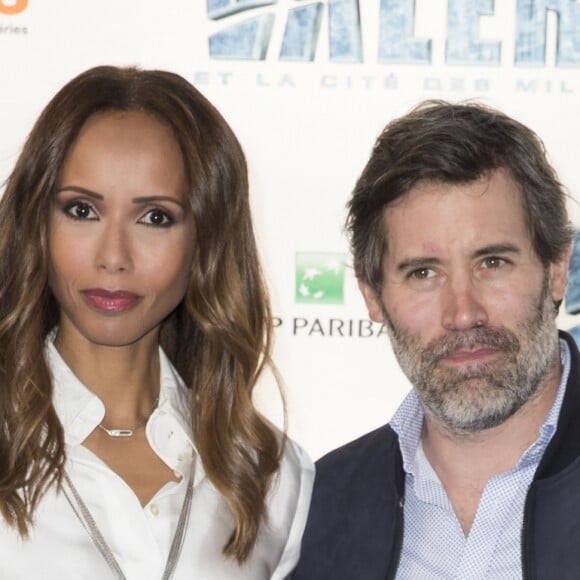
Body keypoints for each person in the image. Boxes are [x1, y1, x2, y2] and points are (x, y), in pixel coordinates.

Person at [0, 65, 313, 579]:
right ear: (37, 221)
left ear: (205, 244)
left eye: (155, 218)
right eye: (81, 210)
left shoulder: (273, 477)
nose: (114, 256)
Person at [292, 101, 580, 579]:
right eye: (423, 273)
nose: (464, 313)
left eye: (493, 263)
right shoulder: (318, 511)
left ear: (555, 270)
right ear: (373, 296)